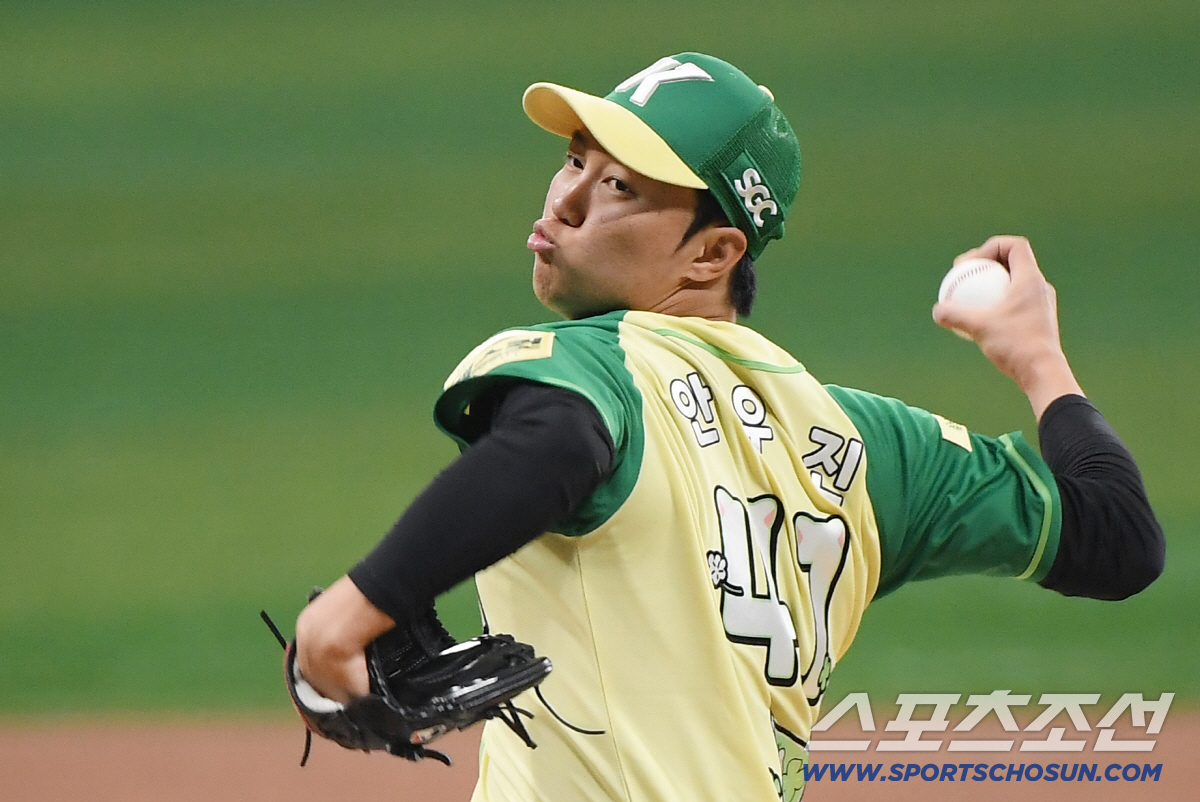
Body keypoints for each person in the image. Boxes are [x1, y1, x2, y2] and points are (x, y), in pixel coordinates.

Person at [293, 53, 1164, 801]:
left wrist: (351, 613)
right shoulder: (871, 446)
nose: (565, 202)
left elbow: (557, 444)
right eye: (575, 161)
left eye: (620, 186)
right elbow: (1118, 538)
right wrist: (1037, 360)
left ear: (713, 254)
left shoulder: (595, 363)